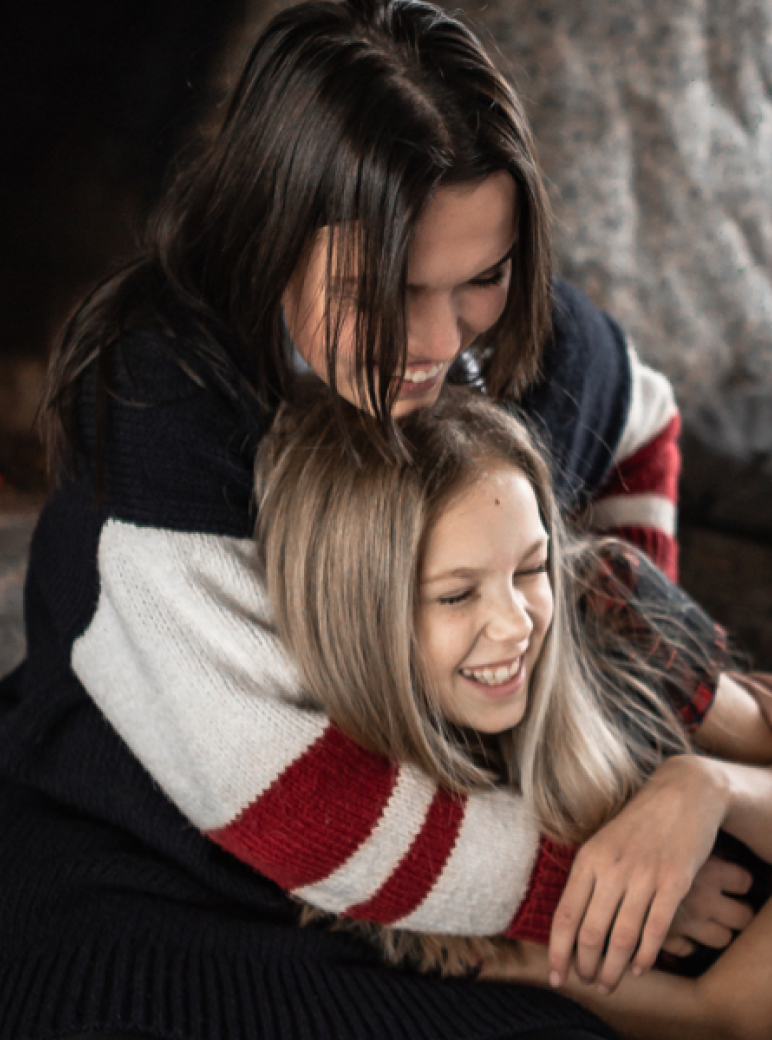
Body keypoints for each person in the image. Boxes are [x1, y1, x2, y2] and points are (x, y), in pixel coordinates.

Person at [0, 0, 753, 1036]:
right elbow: (283, 798)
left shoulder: (524, 340)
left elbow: (641, 415)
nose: (437, 341)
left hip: (459, 797)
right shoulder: (162, 410)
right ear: (270, 235)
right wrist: (592, 878)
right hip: (165, 844)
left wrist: (599, 690)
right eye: (389, 290)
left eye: (480, 278)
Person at [253, 384, 772, 1038]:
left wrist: (708, 787)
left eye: (532, 568)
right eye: (456, 594)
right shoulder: (358, 841)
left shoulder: (605, 604)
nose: (517, 624)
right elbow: (724, 1018)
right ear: (354, 619)